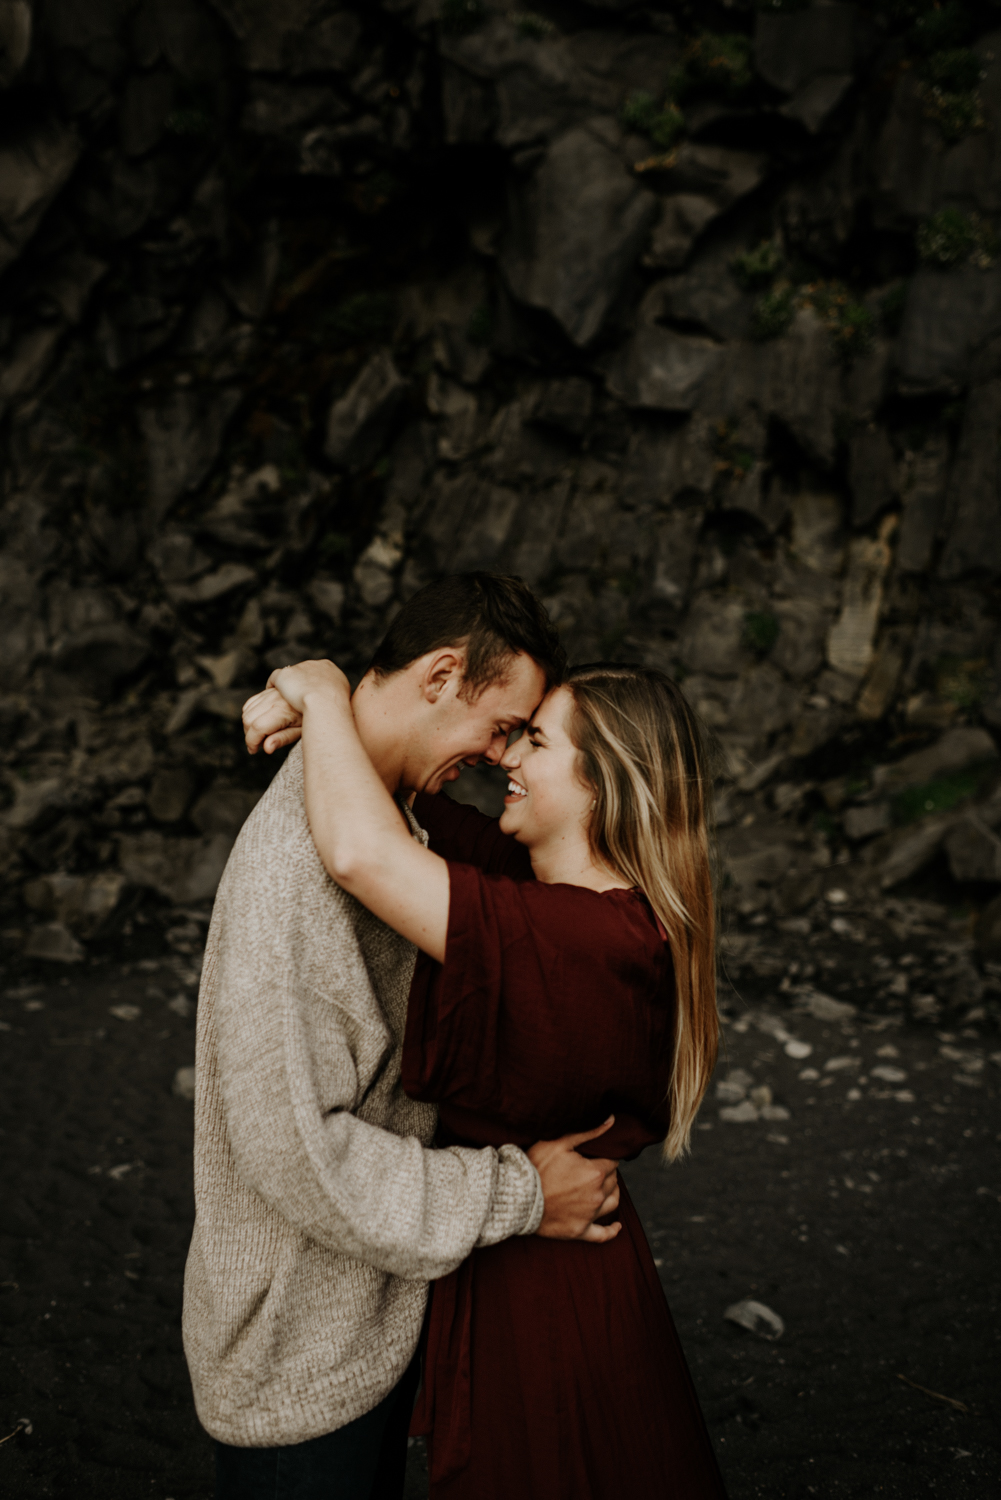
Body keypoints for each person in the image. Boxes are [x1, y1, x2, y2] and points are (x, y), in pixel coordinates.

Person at [186, 572, 622, 1500]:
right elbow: (301, 1152)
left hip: (356, 1329)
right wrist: (519, 1195)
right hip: (293, 1362)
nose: (498, 757)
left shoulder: (401, 825)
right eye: (501, 725)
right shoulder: (296, 872)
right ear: (440, 675)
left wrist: (319, 686)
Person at [262, 653, 729, 1499]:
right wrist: (309, 714)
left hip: (547, 1290)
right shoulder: (543, 891)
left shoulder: (586, 938)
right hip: (527, 1252)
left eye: (536, 742)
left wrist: (323, 688)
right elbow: (400, 795)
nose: (506, 758)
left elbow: (364, 852)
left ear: (603, 784)